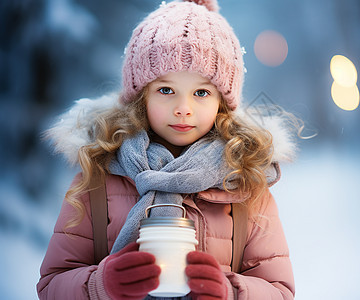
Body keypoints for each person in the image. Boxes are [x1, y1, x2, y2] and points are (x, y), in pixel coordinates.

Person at [37, 0, 297, 299]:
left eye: (201, 92)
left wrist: (231, 292)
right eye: (165, 90)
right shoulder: (99, 176)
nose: (183, 109)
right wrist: (101, 284)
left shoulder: (245, 182)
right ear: (140, 97)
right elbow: (52, 285)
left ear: (222, 102)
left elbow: (278, 290)